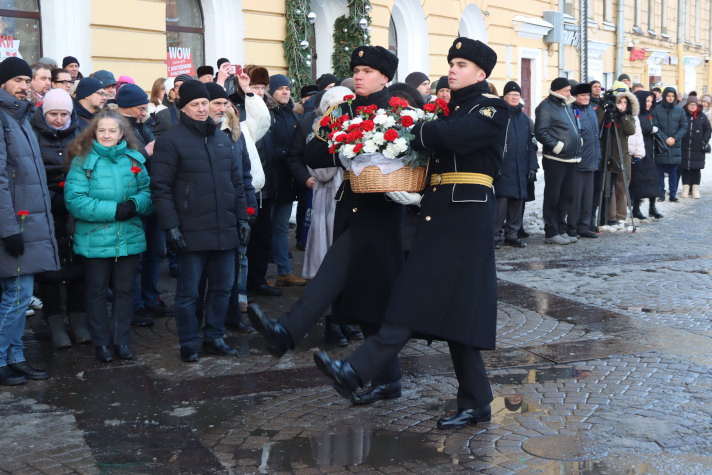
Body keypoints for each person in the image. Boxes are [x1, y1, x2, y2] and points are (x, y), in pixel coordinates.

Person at [312, 37, 509, 429]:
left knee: (413, 295)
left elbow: (450, 137)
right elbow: (428, 139)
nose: (453, 68)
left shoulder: (491, 106)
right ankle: (476, 400)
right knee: (457, 309)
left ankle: (356, 369)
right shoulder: (449, 108)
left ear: (481, 74)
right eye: (451, 62)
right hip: (439, 212)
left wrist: (428, 130)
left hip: (467, 216)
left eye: (463, 64)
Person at [248, 45, 406, 406]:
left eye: (367, 70)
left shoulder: (397, 109)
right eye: (357, 69)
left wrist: (364, 141)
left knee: (338, 269)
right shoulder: (343, 109)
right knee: (371, 299)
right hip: (352, 205)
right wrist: (347, 140)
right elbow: (314, 154)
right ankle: (388, 380)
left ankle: (287, 330)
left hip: (383, 210)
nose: (360, 75)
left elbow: (407, 153)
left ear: (384, 77)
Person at [151, 80, 248, 362]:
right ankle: (189, 342)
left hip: (225, 228)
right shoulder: (170, 140)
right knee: (188, 293)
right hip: (190, 230)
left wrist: (242, 219)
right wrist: (170, 226)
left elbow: (237, 183)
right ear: (183, 108)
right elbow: (161, 188)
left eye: (205, 103)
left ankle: (214, 337)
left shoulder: (223, 138)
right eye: (195, 104)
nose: (202, 109)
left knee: (222, 288)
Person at [64, 107, 152, 363]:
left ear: (121, 133)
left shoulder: (135, 159)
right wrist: (114, 210)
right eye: (101, 130)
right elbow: (75, 201)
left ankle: (121, 341)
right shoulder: (83, 160)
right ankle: (102, 343)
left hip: (129, 236)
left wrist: (135, 205)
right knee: (97, 291)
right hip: (95, 236)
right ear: (94, 132)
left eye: (111, 131)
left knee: (125, 290)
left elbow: (147, 191)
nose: (106, 135)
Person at [0, 57, 59, 385]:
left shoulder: (19, 117)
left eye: (27, 80)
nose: (24, 87)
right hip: (14, 226)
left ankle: (15, 356)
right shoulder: (3, 118)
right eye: (18, 81)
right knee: (17, 296)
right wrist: (9, 230)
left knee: (20, 295)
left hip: (26, 224)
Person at [30, 88, 88, 350]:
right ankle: (55, 326)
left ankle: (79, 322)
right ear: (44, 112)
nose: (58, 119)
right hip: (43, 208)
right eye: (53, 113)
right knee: (48, 268)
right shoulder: (30, 132)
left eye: (63, 113)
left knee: (79, 264)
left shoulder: (81, 131)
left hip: (75, 206)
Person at [204, 81, 256, 332]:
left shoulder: (236, 133)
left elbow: (244, 174)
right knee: (209, 273)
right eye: (216, 103)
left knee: (234, 265)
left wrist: (249, 208)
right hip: (207, 212)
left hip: (234, 209)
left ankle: (233, 316)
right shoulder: (201, 134)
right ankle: (207, 323)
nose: (222, 108)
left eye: (225, 103)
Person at [266, 74, 306, 286]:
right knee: (263, 230)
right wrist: (287, 153)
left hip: (287, 181)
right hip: (269, 180)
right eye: (280, 88)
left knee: (281, 228)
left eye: (288, 88)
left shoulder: (293, 114)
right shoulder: (266, 113)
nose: (285, 91)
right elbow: (264, 146)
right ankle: (259, 275)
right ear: (271, 91)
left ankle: (285, 271)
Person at [535, 77, 582, 245]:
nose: (570, 93)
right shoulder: (545, 107)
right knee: (553, 196)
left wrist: (578, 142)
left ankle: (562, 229)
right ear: (557, 91)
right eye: (567, 90)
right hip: (555, 158)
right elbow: (540, 131)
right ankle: (551, 232)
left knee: (567, 196)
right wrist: (557, 146)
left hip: (570, 158)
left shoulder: (566, 105)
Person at [494, 81, 537, 248]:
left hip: (521, 168)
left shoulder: (525, 119)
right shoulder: (499, 116)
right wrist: (494, 166)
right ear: (504, 97)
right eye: (511, 95)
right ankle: (496, 236)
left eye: (517, 95)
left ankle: (512, 234)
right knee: (500, 206)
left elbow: (531, 145)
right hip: (503, 168)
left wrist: (533, 167)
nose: (514, 97)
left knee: (517, 203)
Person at [597, 86, 637, 224]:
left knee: (621, 186)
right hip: (608, 153)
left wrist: (622, 115)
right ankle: (610, 216)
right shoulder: (607, 113)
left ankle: (621, 215)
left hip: (622, 156)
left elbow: (631, 130)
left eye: (626, 103)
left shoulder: (628, 117)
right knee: (609, 187)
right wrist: (603, 107)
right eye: (621, 102)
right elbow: (599, 124)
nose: (622, 105)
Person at [566, 83, 601, 238]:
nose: (587, 98)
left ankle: (584, 226)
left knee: (588, 197)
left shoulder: (591, 111)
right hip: (579, 161)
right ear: (575, 97)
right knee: (576, 198)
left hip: (592, 160)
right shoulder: (572, 110)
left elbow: (596, 137)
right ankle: (572, 227)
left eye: (587, 95)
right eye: (583, 96)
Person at [629, 90, 665, 219]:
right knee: (639, 181)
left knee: (653, 180)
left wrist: (654, 128)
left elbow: (657, 125)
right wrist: (651, 129)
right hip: (639, 152)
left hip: (651, 151)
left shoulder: (651, 113)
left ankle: (652, 207)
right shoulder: (636, 114)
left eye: (651, 101)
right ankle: (636, 209)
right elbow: (638, 129)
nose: (649, 104)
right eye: (647, 101)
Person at [653, 87, 687, 202]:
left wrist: (675, 138)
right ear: (664, 96)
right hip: (661, 144)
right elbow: (655, 126)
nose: (671, 98)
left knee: (673, 171)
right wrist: (665, 138)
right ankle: (661, 193)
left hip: (675, 145)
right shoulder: (657, 109)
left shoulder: (680, 110)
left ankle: (673, 194)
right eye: (668, 96)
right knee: (660, 171)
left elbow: (684, 127)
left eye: (673, 96)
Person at [679, 95, 711, 199]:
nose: (693, 106)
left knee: (696, 168)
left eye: (695, 104)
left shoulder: (702, 116)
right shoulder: (683, 114)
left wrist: (705, 140)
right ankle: (686, 189)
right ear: (687, 105)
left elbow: (708, 129)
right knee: (685, 168)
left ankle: (695, 190)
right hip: (684, 146)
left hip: (698, 146)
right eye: (691, 104)